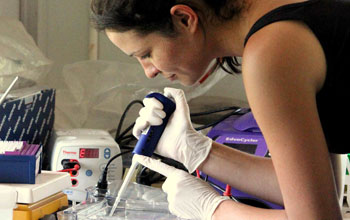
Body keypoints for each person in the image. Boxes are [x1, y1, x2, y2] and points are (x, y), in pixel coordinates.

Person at [90, 0, 350, 219]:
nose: (149, 72)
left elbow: (318, 217)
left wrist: (213, 209)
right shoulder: (289, 20)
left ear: (184, 18)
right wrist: (197, 150)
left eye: (146, 53)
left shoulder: (271, 51)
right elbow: (316, 192)